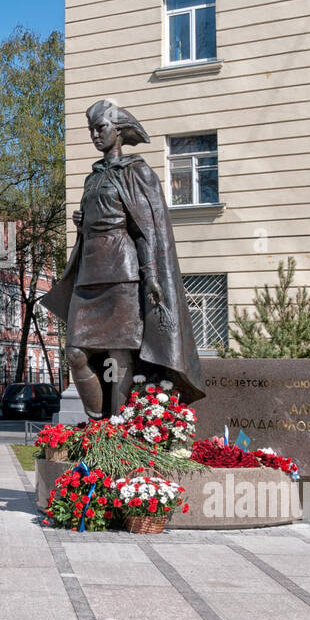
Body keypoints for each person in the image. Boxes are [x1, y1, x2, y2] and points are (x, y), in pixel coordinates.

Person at [40, 99, 205, 419]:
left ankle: (117, 424)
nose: (94, 135)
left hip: (123, 274)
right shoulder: (92, 178)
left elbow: (146, 229)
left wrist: (152, 275)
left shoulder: (136, 172)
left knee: (120, 354)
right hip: (89, 277)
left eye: (100, 128)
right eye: (91, 130)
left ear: (118, 131)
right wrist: (82, 223)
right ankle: (98, 422)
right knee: (75, 353)